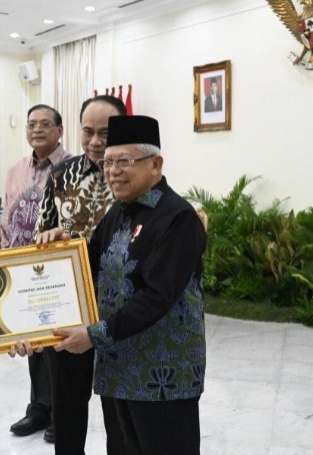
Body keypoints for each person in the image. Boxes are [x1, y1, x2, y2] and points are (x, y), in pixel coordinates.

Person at [54, 115, 207, 455]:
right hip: (119, 369)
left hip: (162, 377)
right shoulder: (119, 212)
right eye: (108, 162)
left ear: (156, 164)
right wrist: (58, 246)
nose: (112, 171)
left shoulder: (178, 218)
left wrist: (92, 336)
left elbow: (157, 297)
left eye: (124, 162)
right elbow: (87, 264)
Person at [34, 95, 127, 454]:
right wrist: (48, 238)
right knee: (68, 408)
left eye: (105, 132)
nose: (95, 141)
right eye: (88, 131)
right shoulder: (61, 175)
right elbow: (42, 235)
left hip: (119, 311)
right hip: (67, 306)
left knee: (118, 410)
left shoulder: (134, 174)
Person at [1, 104, 72, 443]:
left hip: (57, 269)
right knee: (33, 344)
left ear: (60, 130)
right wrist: (3, 259)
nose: (38, 129)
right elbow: (7, 215)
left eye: (46, 124)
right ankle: (39, 408)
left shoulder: (73, 169)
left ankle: (63, 414)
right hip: (21, 267)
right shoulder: (16, 170)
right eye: (32, 124)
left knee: (58, 342)